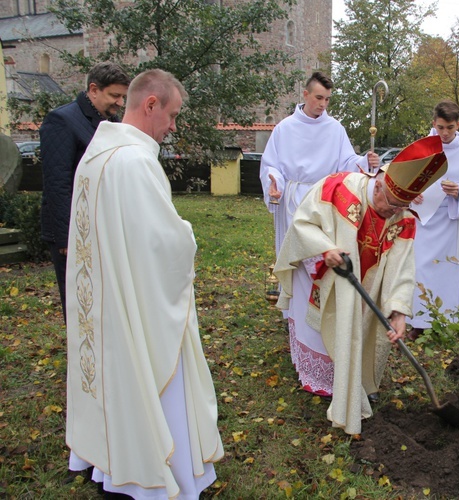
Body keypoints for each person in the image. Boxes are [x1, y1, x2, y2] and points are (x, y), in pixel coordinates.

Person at [65, 69, 224, 499]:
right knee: (151, 382)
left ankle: (112, 465)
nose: (173, 126)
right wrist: (187, 234)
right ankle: (161, 473)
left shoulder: (96, 157)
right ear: (150, 104)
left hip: (106, 300)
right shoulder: (135, 162)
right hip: (138, 305)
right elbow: (162, 244)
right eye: (171, 115)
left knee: (117, 383)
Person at [273, 135, 448, 435]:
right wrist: (325, 248)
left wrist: (399, 311)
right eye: (392, 204)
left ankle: (357, 382)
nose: (393, 212)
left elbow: (403, 266)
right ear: (378, 184)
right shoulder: (338, 188)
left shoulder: (401, 215)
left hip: (365, 280)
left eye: (401, 207)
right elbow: (302, 224)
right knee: (326, 327)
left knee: (363, 325)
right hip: (321, 268)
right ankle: (323, 382)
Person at [39, 61, 131, 319]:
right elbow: (58, 183)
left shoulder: (110, 121)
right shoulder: (62, 121)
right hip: (74, 230)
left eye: (123, 97)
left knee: (105, 305)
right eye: (114, 95)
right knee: (81, 307)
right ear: (93, 89)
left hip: (103, 225)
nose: (120, 103)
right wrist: (68, 237)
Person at [260, 71, 379, 256]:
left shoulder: (335, 129)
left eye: (327, 99)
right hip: (293, 199)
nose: (323, 104)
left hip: (323, 198)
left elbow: (347, 162)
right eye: (319, 98)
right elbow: (271, 165)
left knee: (320, 254)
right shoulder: (285, 128)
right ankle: (292, 286)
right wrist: (275, 183)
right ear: (306, 95)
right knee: (294, 256)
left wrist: (366, 161)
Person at [409, 100, 459, 339]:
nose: (444, 133)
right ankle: (418, 322)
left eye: (449, 128)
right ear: (434, 123)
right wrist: (414, 191)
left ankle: (445, 320)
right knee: (419, 268)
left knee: (446, 269)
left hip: (448, 218)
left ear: (458, 125)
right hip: (423, 218)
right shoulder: (422, 147)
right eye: (440, 127)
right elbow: (405, 175)